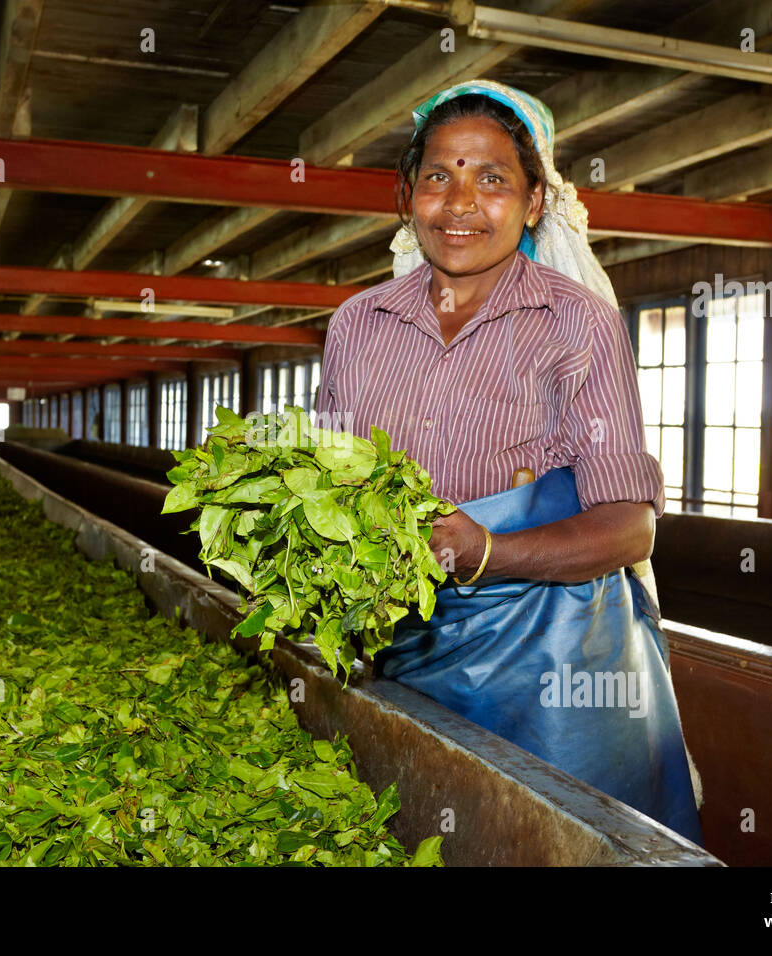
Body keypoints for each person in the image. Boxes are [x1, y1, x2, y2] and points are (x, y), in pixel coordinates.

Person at [312, 79, 703, 846]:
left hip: (550, 662)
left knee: (551, 840)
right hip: (401, 645)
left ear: (532, 205)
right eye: (439, 176)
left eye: (492, 179)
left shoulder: (576, 324)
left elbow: (630, 531)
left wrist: (486, 551)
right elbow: (329, 486)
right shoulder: (358, 325)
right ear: (408, 197)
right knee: (418, 834)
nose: (460, 203)